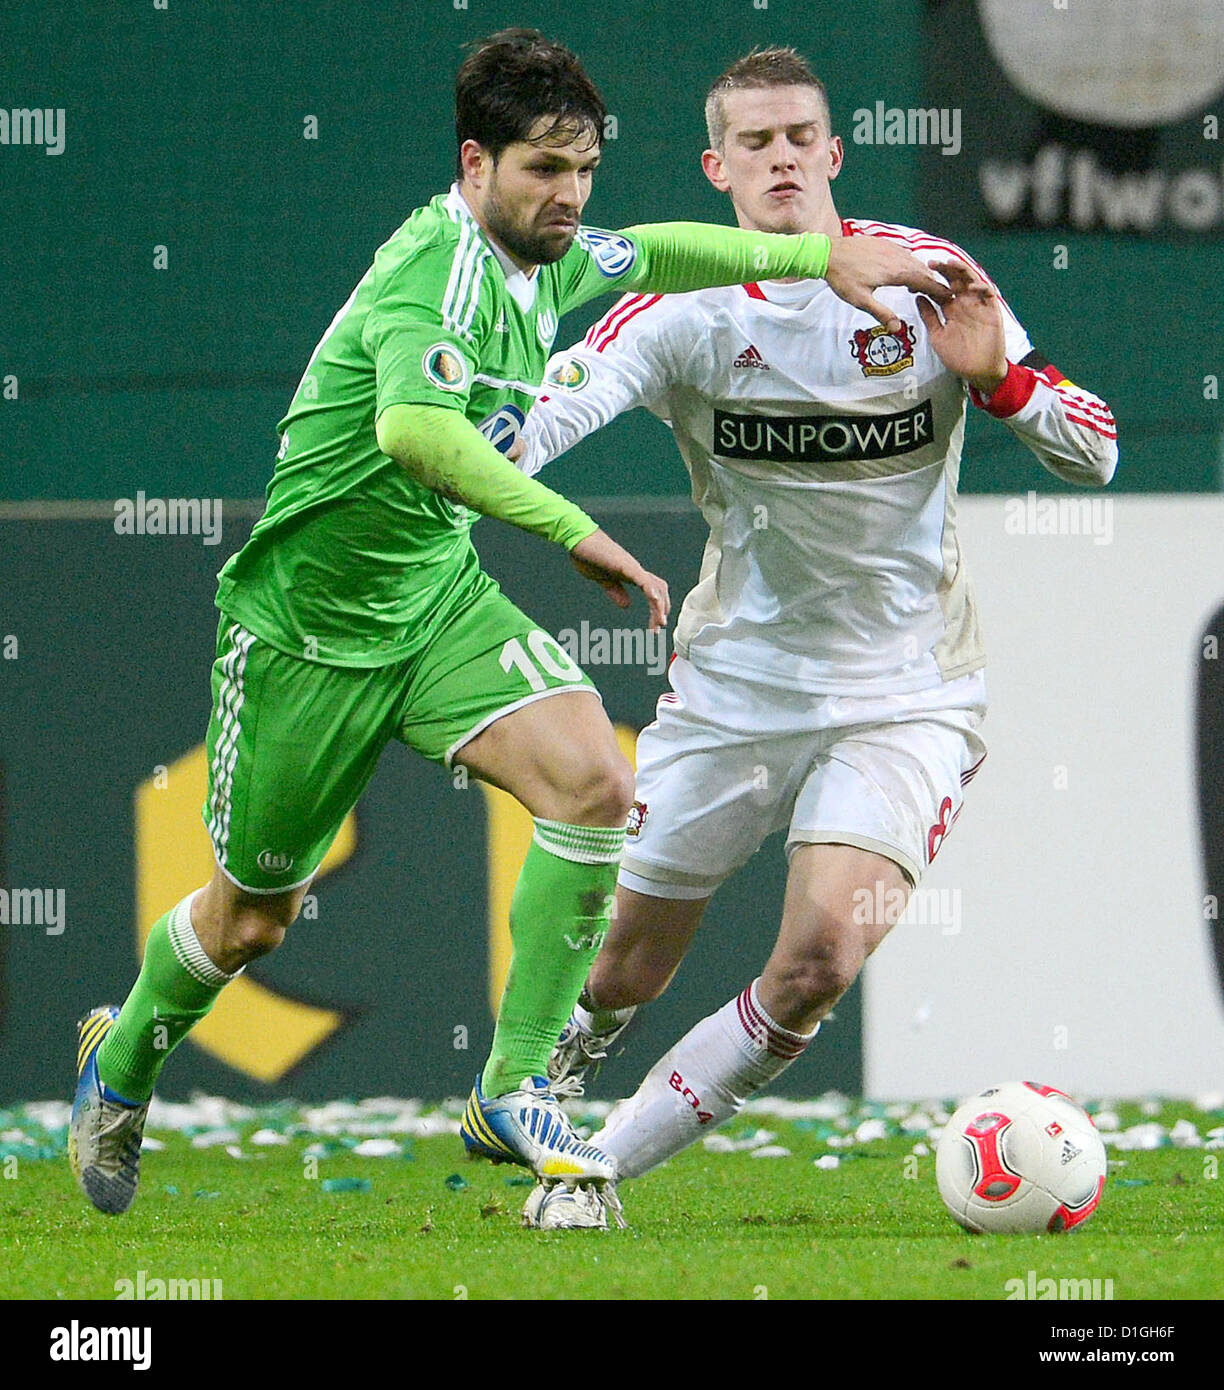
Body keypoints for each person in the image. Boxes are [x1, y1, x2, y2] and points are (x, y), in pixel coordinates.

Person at [67, 30, 950, 1216]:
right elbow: (414, 436)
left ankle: (513, 1083)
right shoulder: (430, 274)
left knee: (593, 779)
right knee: (251, 919)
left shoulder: (549, 252)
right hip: (305, 632)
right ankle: (119, 1066)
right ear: (475, 164)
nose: (568, 195)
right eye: (542, 169)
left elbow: (668, 248)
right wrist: (569, 529)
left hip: (435, 603)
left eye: (581, 168)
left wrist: (815, 256)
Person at [514, 46, 1117, 1229]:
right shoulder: (683, 306)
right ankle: (549, 1076)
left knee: (819, 962)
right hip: (736, 686)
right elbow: (540, 419)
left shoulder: (931, 279)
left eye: (801, 136)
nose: (781, 155)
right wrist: (470, 462)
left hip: (909, 692)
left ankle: (592, 1179)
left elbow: (1094, 447)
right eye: (755, 141)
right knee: (620, 965)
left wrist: (999, 383)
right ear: (717, 168)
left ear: (835, 156)